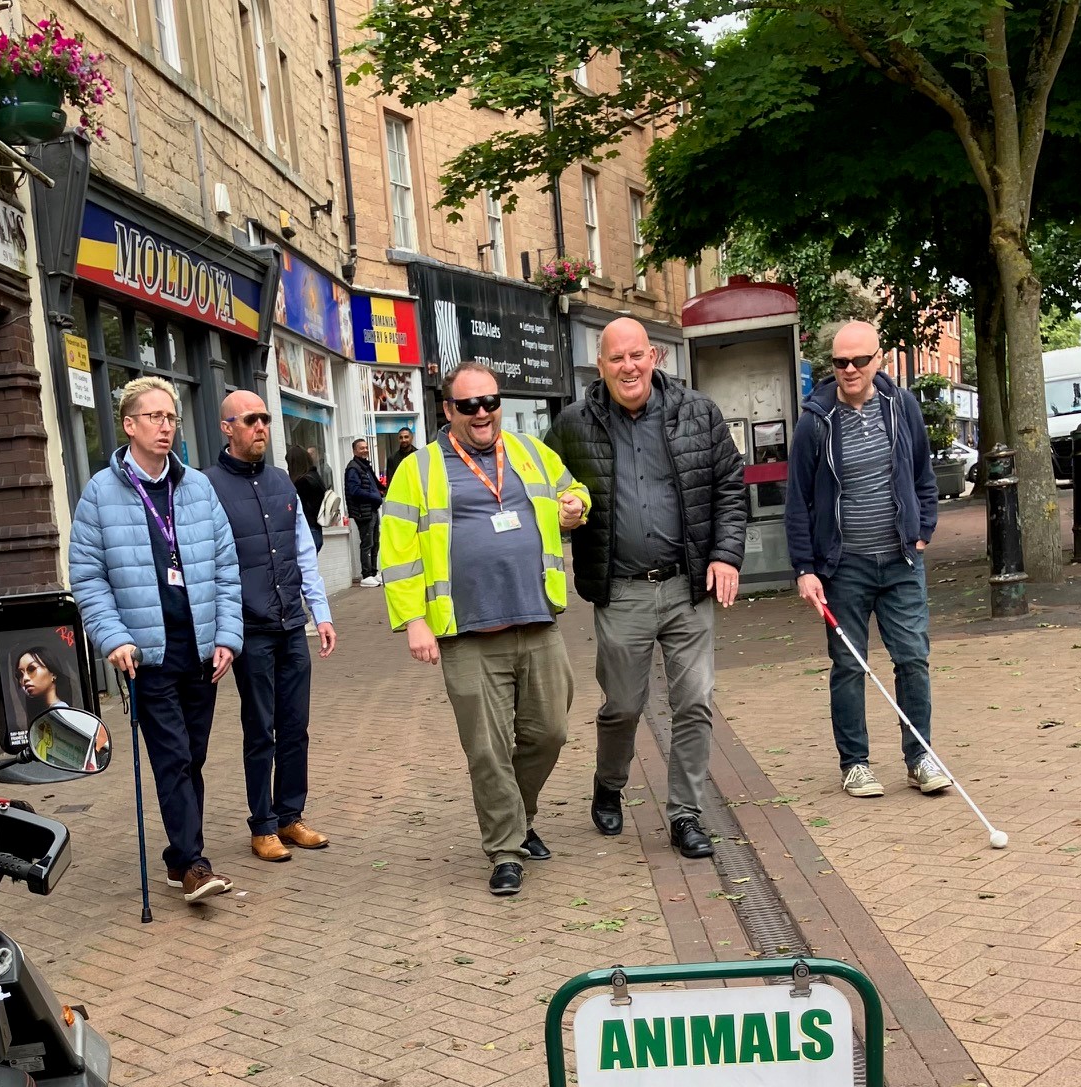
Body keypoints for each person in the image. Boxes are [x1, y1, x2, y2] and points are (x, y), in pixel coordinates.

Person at [381, 362, 589, 896]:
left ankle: (518, 816)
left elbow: (576, 492)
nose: (482, 413)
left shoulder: (528, 452)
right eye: (469, 405)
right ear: (447, 410)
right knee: (488, 749)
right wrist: (414, 621)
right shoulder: (419, 469)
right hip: (466, 633)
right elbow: (398, 553)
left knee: (550, 732)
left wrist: (575, 507)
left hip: (536, 619)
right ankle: (505, 849)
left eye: (490, 402)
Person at [546, 317, 747, 861]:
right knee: (624, 704)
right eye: (617, 359)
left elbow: (730, 485)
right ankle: (609, 782)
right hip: (622, 591)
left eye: (637, 356)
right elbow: (541, 490)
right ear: (601, 364)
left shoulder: (697, 414)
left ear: (654, 357)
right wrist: (560, 516)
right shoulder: (571, 425)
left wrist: (726, 555)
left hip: (688, 586)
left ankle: (685, 813)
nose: (628, 367)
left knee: (695, 701)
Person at [68, 376, 243, 904]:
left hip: (200, 648)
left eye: (171, 418)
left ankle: (176, 858)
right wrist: (112, 638)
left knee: (192, 757)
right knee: (171, 756)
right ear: (129, 425)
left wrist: (228, 638)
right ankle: (193, 863)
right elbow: (87, 576)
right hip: (147, 653)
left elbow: (226, 568)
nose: (166, 426)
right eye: (154, 417)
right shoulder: (101, 492)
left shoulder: (196, 487)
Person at [785, 320, 950, 800]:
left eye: (859, 360)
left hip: (901, 560)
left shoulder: (902, 408)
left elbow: (922, 473)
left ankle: (920, 757)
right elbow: (799, 501)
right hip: (844, 566)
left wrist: (923, 533)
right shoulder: (816, 420)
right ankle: (855, 764)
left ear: (879, 359)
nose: (850, 369)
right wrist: (805, 569)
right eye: (840, 362)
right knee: (849, 665)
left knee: (913, 659)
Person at [207, 392, 337, 862]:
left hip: (290, 623)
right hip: (251, 627)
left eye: (265, 418)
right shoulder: (208, 487)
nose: (261, 426)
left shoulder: (284, 481)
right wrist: (222, 630)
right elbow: (209, 565)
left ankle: (290, 816)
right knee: (260, 727)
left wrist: (320, 612)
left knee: (295, 725)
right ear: (228, 427)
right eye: (251, 420)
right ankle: (262, 824)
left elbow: (304, 550)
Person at [345, 438, 385, 586]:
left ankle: (374, 572)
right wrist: (375, 496)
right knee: (367, 543)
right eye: (361, 448)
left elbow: (375, 484)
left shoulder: (364, 467)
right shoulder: (353, 468)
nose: (365, 450)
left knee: (375, 542)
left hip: (372, 510)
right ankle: (366, 575)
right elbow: (355, 491)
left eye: (366, 447)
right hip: (363, 512)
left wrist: (382, 490)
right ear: (355, 450)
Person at [287, 444, 327, 552]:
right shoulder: (314, 476)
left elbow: (300, 508)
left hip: (308, 529)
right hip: (316, 529)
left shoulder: (302, 482)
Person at [15, 645, 73, 721]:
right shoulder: (46, 713)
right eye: (20, 675)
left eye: (32, 669)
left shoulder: (62, 713)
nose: (24, 678)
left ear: (53, 673)